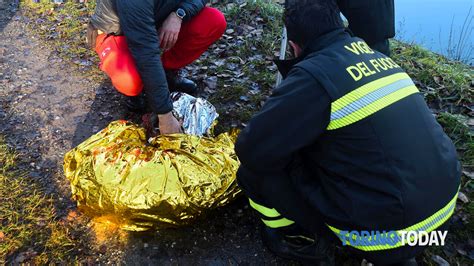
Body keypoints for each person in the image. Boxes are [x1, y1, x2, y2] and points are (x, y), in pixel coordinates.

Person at [235, 0, 461, 265]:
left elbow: (251, 147)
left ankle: (290, 236)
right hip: (441, 217)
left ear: (295, 46)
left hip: (386, 233)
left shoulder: (314, 75)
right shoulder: (379, 58)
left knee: (255, 170)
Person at [86, 0, 226, 134]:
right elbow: (145, 52)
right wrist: (165, 116)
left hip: (157, 19)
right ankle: (139, 89)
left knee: (214, 21)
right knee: (129, 81)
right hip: (118, 32)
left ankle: (165, 73)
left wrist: (178, 15)